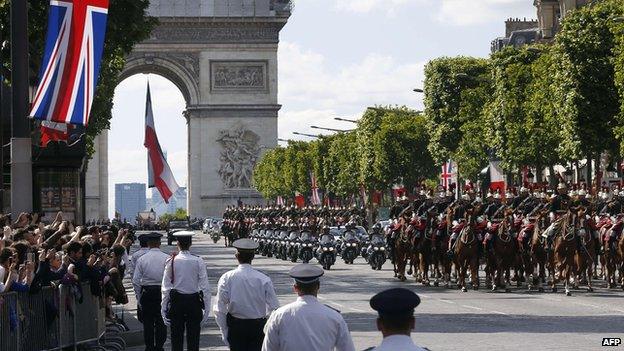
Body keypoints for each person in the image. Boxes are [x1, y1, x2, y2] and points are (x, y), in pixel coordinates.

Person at [261, 264, 355, 351]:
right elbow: (347, 348)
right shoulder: (334, 316)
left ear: (295, 288)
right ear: (318, 287)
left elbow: (268, 348)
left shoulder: (279, 315)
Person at [214, 238, 280, 351]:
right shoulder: (263, 279)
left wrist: (224, 330)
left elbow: (220, 308)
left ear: (236, 256)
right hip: (258, 327)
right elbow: (274, 308)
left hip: (236, 326)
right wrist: (267, 327)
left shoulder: (227, 278)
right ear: (253, 257)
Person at [161, 231, 210, 351]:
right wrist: (207, 308)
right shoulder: (198, 260)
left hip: (177, 302)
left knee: (176, 338)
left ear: (177, 243)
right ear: (191, 243)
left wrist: (163, 307)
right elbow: (205, 287)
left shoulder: (172, 261)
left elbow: (166, 287)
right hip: (193, 301)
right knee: (194, 338)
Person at [132, 232, 169, 351]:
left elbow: (136, 280)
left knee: (147, 322)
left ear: (148, 244)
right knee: (161, 320)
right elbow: (171, 279)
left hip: (147, 292)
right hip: (161, 291)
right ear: (159, 243)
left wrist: (138, 297)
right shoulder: (166, 258)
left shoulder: (142, 259)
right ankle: (159, 346)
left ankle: (149, 347)